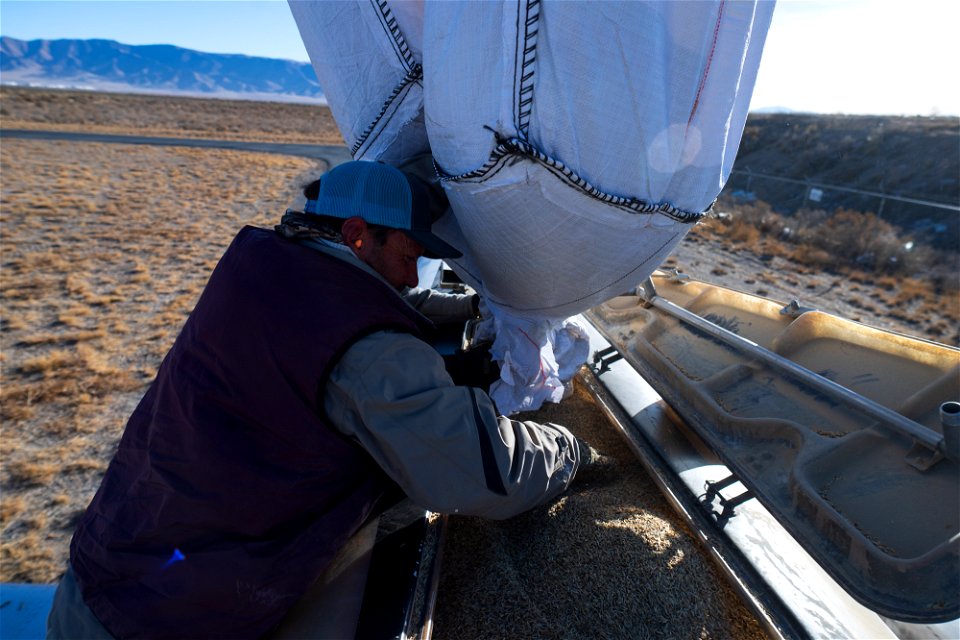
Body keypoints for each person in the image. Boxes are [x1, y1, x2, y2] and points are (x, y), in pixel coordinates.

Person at [47, 160, 598, 639]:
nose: (412, 275)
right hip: (177, 622)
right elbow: (477, 473)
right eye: (409, 255)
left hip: (103, 571)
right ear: (358, 235)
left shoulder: (263, 263)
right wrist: (570, 449)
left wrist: (466, 318)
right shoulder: (367, 352)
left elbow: (342, 309)